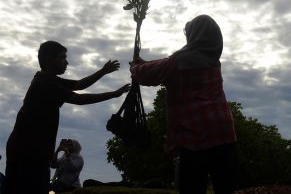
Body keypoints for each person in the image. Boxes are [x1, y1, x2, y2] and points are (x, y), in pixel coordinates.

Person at [4, 40, 130, 194]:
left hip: (26, 151)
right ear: (49, 60)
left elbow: (78, 84)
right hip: (29, 153)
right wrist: (113, 94)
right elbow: (79, 99)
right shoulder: (44, 83)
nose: (67, 62)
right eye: (62, 58)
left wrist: (102, 72)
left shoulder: (47, 79)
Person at [130, 15, 237, 194]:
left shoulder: (181, 60)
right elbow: (167, 65)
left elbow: (147, 74)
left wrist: (135, 67)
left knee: (192, 187)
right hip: (224, 134)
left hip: (195, 137)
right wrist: (146, 63)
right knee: (224, 188)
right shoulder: (213, 61)